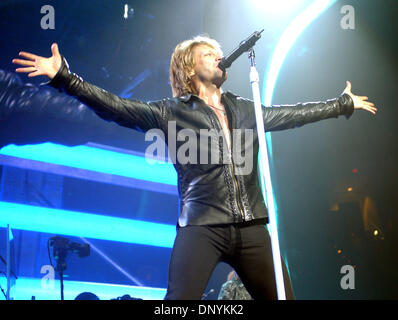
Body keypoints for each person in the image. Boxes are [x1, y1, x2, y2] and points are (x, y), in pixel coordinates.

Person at [12, 36, 377, 300]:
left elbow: (293, 115)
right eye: (208, 53)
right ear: (189, 67)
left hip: (252, 228)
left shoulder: (246, 109)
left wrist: (340, 104)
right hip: (202, 226)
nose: (219, 56)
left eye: (219, 52)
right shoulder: (173, 112)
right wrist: (66, 79)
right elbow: (117, 107)